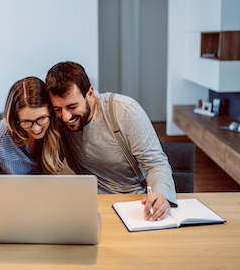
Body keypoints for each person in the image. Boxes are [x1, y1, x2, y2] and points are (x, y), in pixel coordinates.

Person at [45, 61, 176, 221]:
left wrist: (162, 195)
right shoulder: (59, 121)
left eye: (72, 106)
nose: (65, 117)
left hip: (134, 203)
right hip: (90, 204)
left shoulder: (125, 111)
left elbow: (156, 164)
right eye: (58, 109)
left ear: (90, 93)